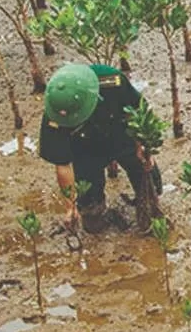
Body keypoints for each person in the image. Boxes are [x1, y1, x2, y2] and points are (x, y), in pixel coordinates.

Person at [39, 63, 161, 233]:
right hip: (84, 147)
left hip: (121, 133)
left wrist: (142, 145)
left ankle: (149, 211)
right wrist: (70, 206)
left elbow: (139, 109)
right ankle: (95, 218)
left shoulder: (111, 81)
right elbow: (63, 165)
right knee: (88, 203)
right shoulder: (55, 114)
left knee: (146, 176)